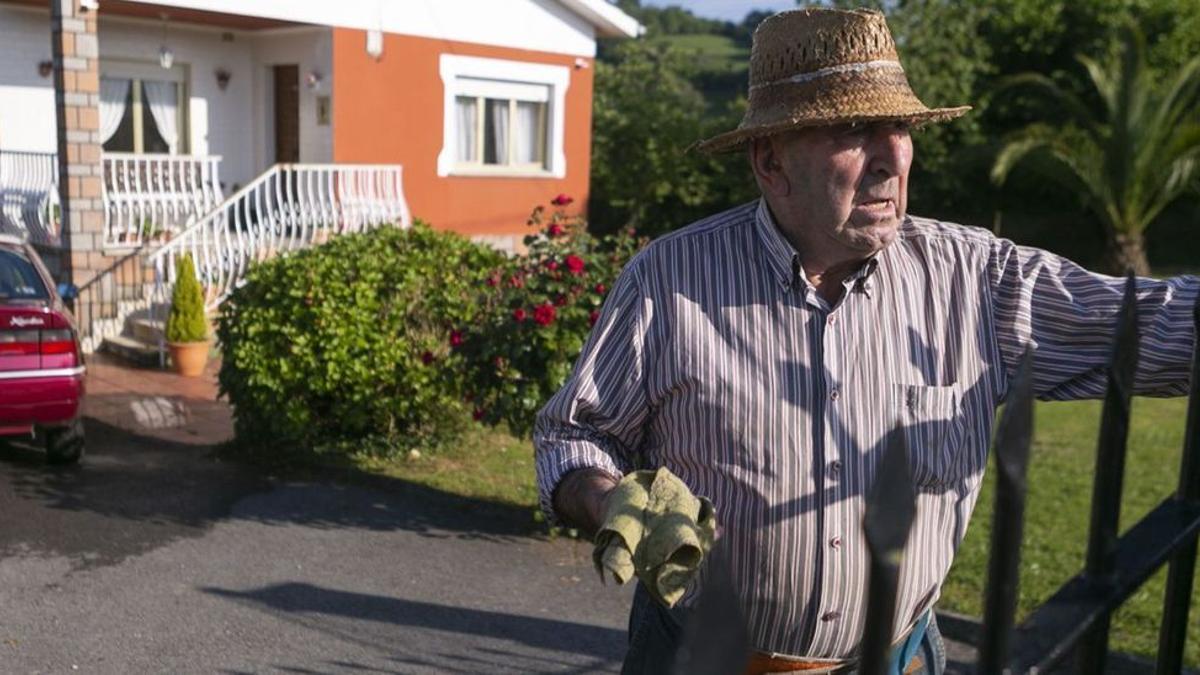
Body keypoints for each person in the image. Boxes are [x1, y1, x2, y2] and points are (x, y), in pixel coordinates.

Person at [534, 7, 1198, 674]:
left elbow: (1156, 324)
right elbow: (572, 434)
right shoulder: (670, 279)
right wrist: (606, 497)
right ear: (770, 160)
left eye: (901, 126)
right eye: (854, 129)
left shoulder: (975, 279)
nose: (891, 157)